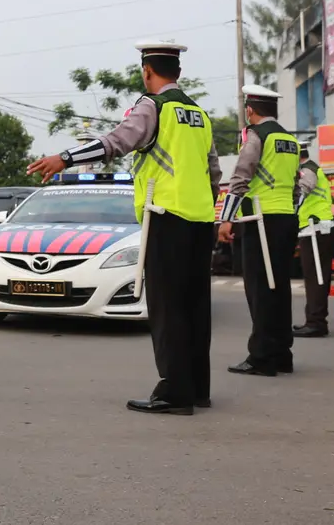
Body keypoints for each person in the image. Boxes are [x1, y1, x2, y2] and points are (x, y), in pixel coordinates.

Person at [27, 41, 221, 416]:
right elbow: (213, 172)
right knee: (196, 307)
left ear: (147, 71)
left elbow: (117, 142)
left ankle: (173, 393)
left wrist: (64, 158)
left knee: (168, 308)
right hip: (200, 221)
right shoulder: (199, 115)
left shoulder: (152, 107)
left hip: (166, 217)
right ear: (177, 72)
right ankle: (197, 388)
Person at [218, 86, 302, 376]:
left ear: (250, 110)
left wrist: (227, 218)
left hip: (260, 219)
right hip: (286, 219)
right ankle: (282, 354)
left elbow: (241, 176)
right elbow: (296, 185)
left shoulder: (257, 135)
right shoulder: (291, 140)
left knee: (259, 290)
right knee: (278, 288)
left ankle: (261, 357)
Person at [293, 145, 334, 339]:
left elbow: (303, 191)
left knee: (316, 277)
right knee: (316, 277)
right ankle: (315, 320)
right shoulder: (312, 168)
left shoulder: (308, 169)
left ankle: (316, 323)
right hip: (314, 229)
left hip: (316, 228)